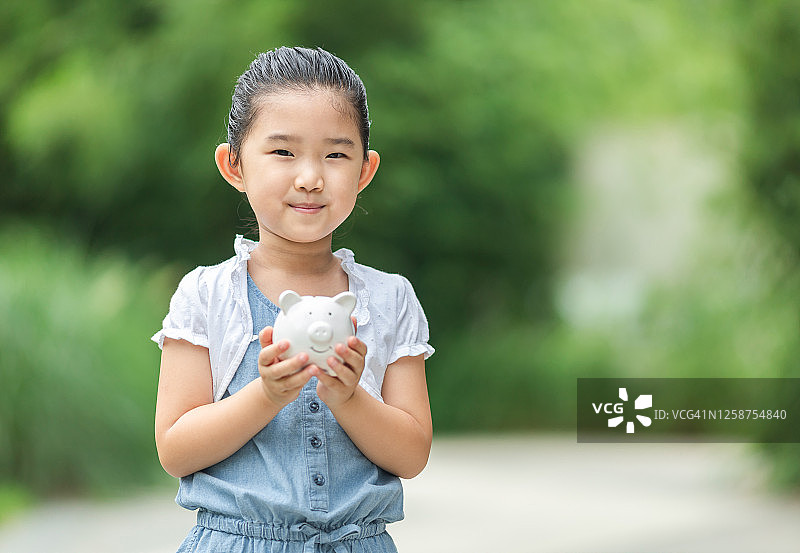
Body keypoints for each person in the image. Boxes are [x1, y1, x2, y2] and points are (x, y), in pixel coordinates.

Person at [151, 46, 434, 553]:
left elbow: (411, 454)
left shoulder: (390, 299)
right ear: (233, 165)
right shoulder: (207, 294)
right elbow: (176, 449)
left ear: (365, 171)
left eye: (335, 154)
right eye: (283, 152)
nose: (310, 176)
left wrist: (349, 398)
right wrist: (267, 395)